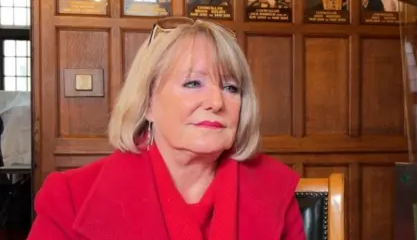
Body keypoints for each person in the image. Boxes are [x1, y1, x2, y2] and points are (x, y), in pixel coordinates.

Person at [27, 17, 306, 240]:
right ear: (147, 102)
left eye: (231, 87)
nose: (216, 102)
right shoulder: (69, 198)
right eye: (193, 83)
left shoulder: (274, 189)